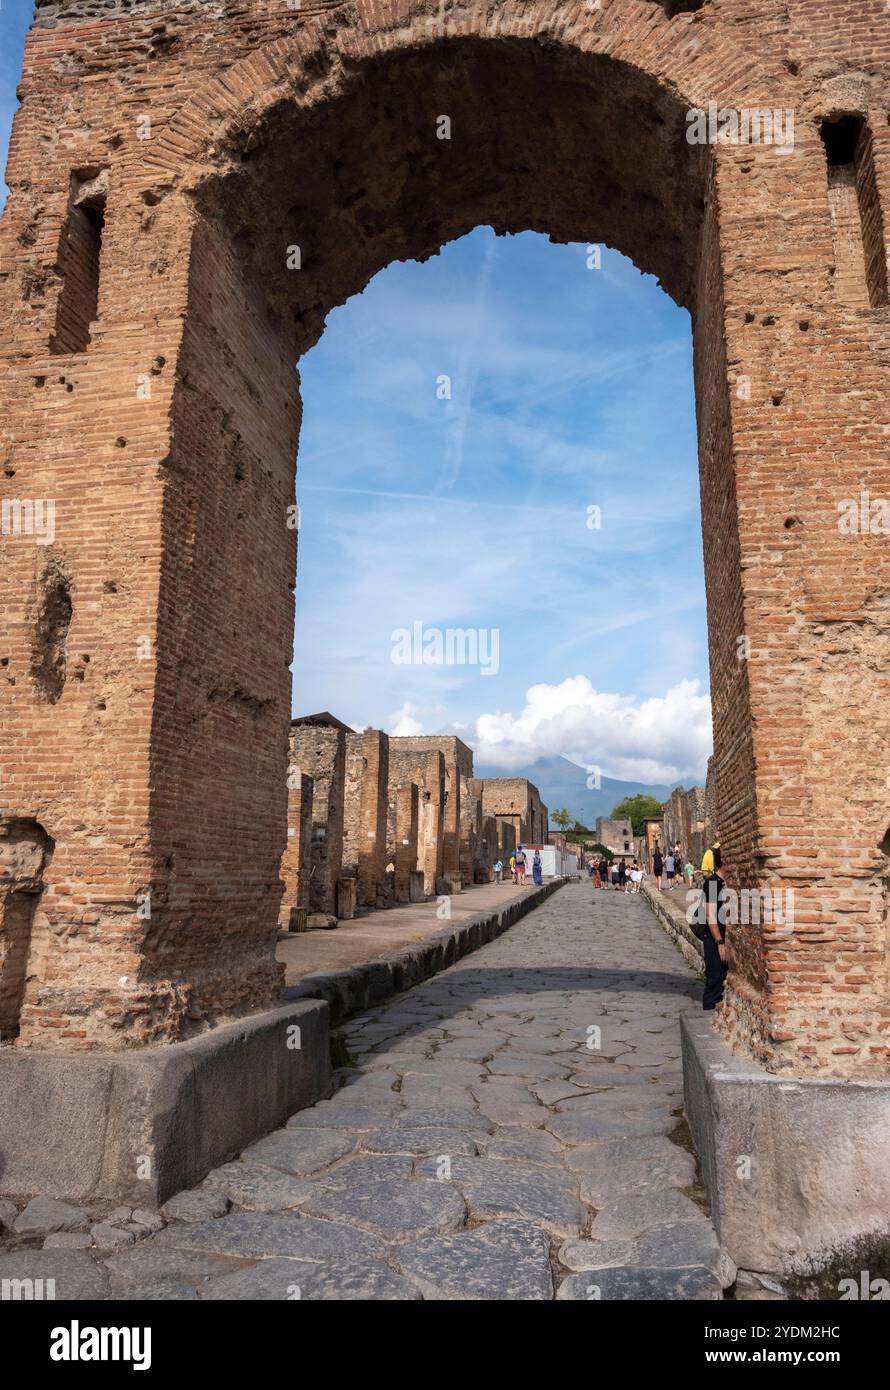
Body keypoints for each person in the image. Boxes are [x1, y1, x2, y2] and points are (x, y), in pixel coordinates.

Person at [702, 853, 728, 1010]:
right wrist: (719, 942)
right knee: (714, 978)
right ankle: (708, 1015)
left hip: (720, 938)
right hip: (713, 939)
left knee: (720, 977)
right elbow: (710, 916)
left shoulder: (722, 883)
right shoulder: (712, 883)